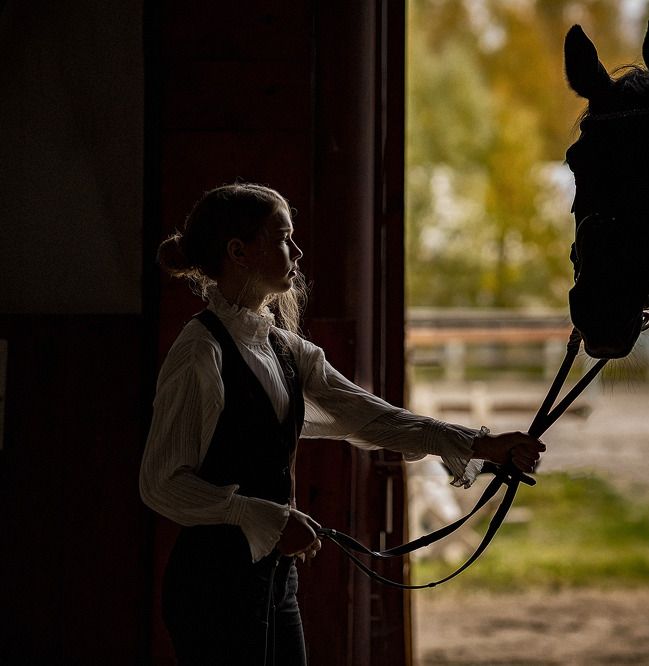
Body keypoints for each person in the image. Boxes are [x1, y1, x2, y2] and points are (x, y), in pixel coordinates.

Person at [139, 183, 544, 665]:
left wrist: (481, 446)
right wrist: (262, 516)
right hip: (212, 587)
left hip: (274, 580)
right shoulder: (198, 355)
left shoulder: (286, 350)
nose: (298, 251)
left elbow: (373, 417)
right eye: (284, 238)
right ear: (239, 252)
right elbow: (159, 482)